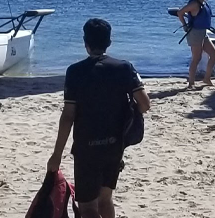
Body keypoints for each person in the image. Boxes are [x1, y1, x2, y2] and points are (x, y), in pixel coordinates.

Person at [46, 18, 150, 218]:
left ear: (86, 42)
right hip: (114, 145)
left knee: (88, 207)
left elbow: (68, 116)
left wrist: (57, 154)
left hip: (87, 147)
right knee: (105, 199)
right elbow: (144, 104)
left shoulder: (75, 72)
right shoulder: (125, 68)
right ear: (109, 42)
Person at [174, 0, 215, 89]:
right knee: (196, 58)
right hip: (195, 33)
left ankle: (207, 78)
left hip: (203, 32)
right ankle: (191, 83)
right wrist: (185, 26)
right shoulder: (194, 4)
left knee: (214, 55)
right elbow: (180, 12)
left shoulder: (204, 3)